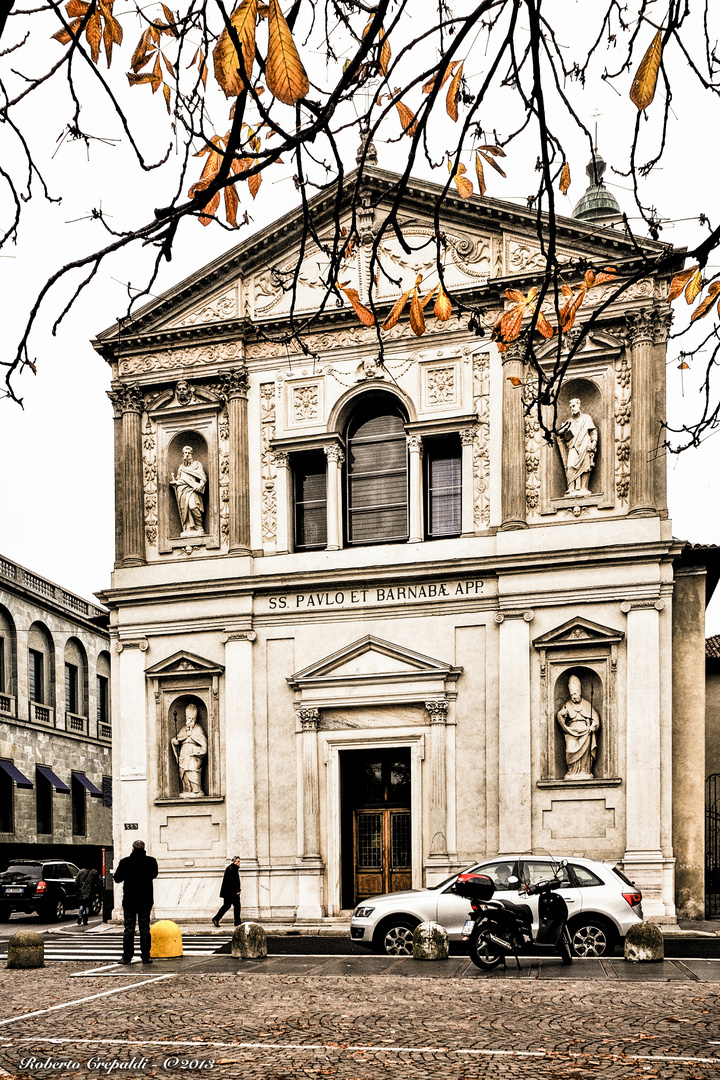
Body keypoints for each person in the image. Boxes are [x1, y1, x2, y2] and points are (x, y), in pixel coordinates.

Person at [113, 839, 159, 965]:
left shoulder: (125, 862)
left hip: (130, 900)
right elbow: (154, 875)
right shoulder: (151, 861)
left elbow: (117, 878)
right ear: (144, 849)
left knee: (129, 928)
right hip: (145, 899)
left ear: (132, 848)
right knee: (145, 928)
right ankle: (146, 956)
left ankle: (127, 957)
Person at [557, 675, 600, 779]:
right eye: (571, 695)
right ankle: (572, 771)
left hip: (585, 732)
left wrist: (593, 726)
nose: (573, 697)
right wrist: (561, 713)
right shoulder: (567, 704)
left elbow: (595, 718)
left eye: (575, 694)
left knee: (585, 755)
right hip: (571, 732)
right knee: (570, 750)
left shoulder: (587, 704)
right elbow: (561, 716)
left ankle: (585, 770)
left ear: (579, 693)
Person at [557, 397, 598, 496]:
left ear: (579, 405)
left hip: (585, 445)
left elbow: (593, 432)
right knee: (570, 465)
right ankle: (571, 488)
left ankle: (584, 488)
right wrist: (563, 433)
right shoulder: (568, 422)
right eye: (571, 407)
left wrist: (594, 443)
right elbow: (563, 437)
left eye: (574, 406)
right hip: (573, 447)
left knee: (586, 467)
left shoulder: (586, 418)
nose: (572, 408)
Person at [171, 703, 208, 795]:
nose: (190, 720)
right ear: (186, 718)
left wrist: (196, 751)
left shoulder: (198, 729)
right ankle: (186, 789)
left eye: (192, 719)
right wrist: (175, 742)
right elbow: (176, 739)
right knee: (183, 772)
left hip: (193, 755)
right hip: (184, 753)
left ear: (195, 719)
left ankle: (196, 790)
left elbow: (204, 745)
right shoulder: (183, 729)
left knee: (193, 771)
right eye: (189, 718)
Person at [170, 445, 207, 535]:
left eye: (188, 453)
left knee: (193, 506)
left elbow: (203, 477)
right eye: (185, 453)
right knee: (184, 509)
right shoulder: (181, 467)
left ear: (192, 454)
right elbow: (179, 479)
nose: (186, 455)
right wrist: (175, 482)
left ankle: (199, 526)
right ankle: (188, 527)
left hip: (193, 489)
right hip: (182, 490)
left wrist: (201, 485)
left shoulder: (197, 465)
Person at [212, 856, 241, 927]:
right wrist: (237, 890)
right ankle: (216, 919)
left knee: (229, 906)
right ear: (234, 862)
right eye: (238, 861)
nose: (239, 863)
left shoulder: (232, 868)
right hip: (231, 892)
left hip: (229, 892)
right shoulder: (232, 869)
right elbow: (233, 881)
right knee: (234, 906)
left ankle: (216, 918)